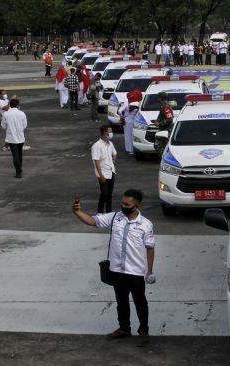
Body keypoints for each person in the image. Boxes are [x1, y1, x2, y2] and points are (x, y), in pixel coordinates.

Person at [72, 188, 156, 346]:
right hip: (116, 270)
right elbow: (92, 221)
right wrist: (77, 212)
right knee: (121, 301)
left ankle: (143, 331)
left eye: (127, 204)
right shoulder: (114, 218)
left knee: (140, 302)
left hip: (136, 272)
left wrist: (149, 270)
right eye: (122, 202)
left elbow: (150, 247)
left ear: (136, 205)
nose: (123, 205)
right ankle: (124, 328)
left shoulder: (145, 224)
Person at [92, 125, 117, 212]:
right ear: (104, 133)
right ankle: (100, 210)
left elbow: (114, 153)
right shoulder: (97, 146)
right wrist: (100, 175)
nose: (111, 133)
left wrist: (113, 161)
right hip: (102, 173)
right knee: (104, 193)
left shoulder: (110, 144)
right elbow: (96, 161)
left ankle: (109, 211)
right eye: (110, 132)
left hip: (111, 171)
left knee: (109, 194)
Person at [1, 98, 27, 178]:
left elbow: (3, 126)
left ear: (10, 105)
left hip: (11, 138)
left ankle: (18, 172)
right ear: (18, 105)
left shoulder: (6, 114)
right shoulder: (22, 113)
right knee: (20, 154)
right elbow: (25, 125)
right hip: (20, 137)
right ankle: (20, 169)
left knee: (15, 155)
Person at [153, 92, 174, 157]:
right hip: (163, 129)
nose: (157, 99)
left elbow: (169, 119)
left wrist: (159, 123)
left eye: (158, 98)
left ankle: (164, 159)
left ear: (160, 98)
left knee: (158, 146)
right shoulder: (163, 105)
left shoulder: (166, 106)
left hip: (166, 130)